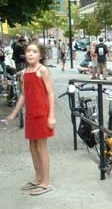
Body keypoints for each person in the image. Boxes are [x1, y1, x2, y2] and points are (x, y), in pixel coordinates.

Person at [5, 41, 56, 195]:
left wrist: (51, 116)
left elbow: (50, 93)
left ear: (40, 55)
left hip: (42, 113)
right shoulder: (25, 72)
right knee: (32, 146)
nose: (30, 54)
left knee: (41, 147)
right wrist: (14, 113)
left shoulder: (43, 70)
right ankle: (38, 178)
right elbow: (23, 95)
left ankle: (46, 182)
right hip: (30, 114)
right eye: (28, 51)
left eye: (34, 51)